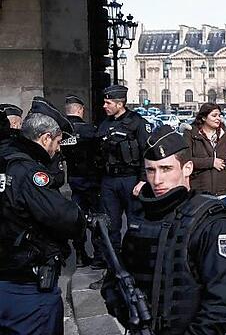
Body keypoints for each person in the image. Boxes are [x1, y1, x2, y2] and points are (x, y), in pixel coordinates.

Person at [101, 125, 226, 334]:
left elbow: (225, 304)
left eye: (166, 169)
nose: (157, 180)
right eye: (151, 170)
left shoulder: (213, 222)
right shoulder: (141, 218)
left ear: (187, 168)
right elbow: (114, 282)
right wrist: (131, 318)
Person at [0, 98, 86, 335]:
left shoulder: (5, 156)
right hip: (25, 287)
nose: (58, 149)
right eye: (57, 142)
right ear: (45, 138)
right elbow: (65, 218)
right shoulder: (29, 172)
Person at [97, 84, 151, 265]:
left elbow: (147, 152)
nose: (104, 106)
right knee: (110, 226)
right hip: (109, 181)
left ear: (120, 104)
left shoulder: (137, 122)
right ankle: (113, 268)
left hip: (131, 180)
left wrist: (143, 180)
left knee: (135, 225)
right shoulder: (105, 123)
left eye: (108, 103)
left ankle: (135, 265)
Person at [62, 94, 104, 268]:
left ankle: (80, 255)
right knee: (97, 218)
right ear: (80, 110)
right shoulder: (89, 130)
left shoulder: (62, 132)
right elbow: (100, 154)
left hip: (74, 179)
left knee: (78, 218)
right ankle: (99, 254)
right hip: (92, 181)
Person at [184, 102, 226, 197]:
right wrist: (211, 162)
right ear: (204, 118)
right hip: (200, 190)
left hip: (224, 190)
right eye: (214, 116)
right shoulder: (191, 134)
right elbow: (186, 160)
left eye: (219, 115)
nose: (218, 118)